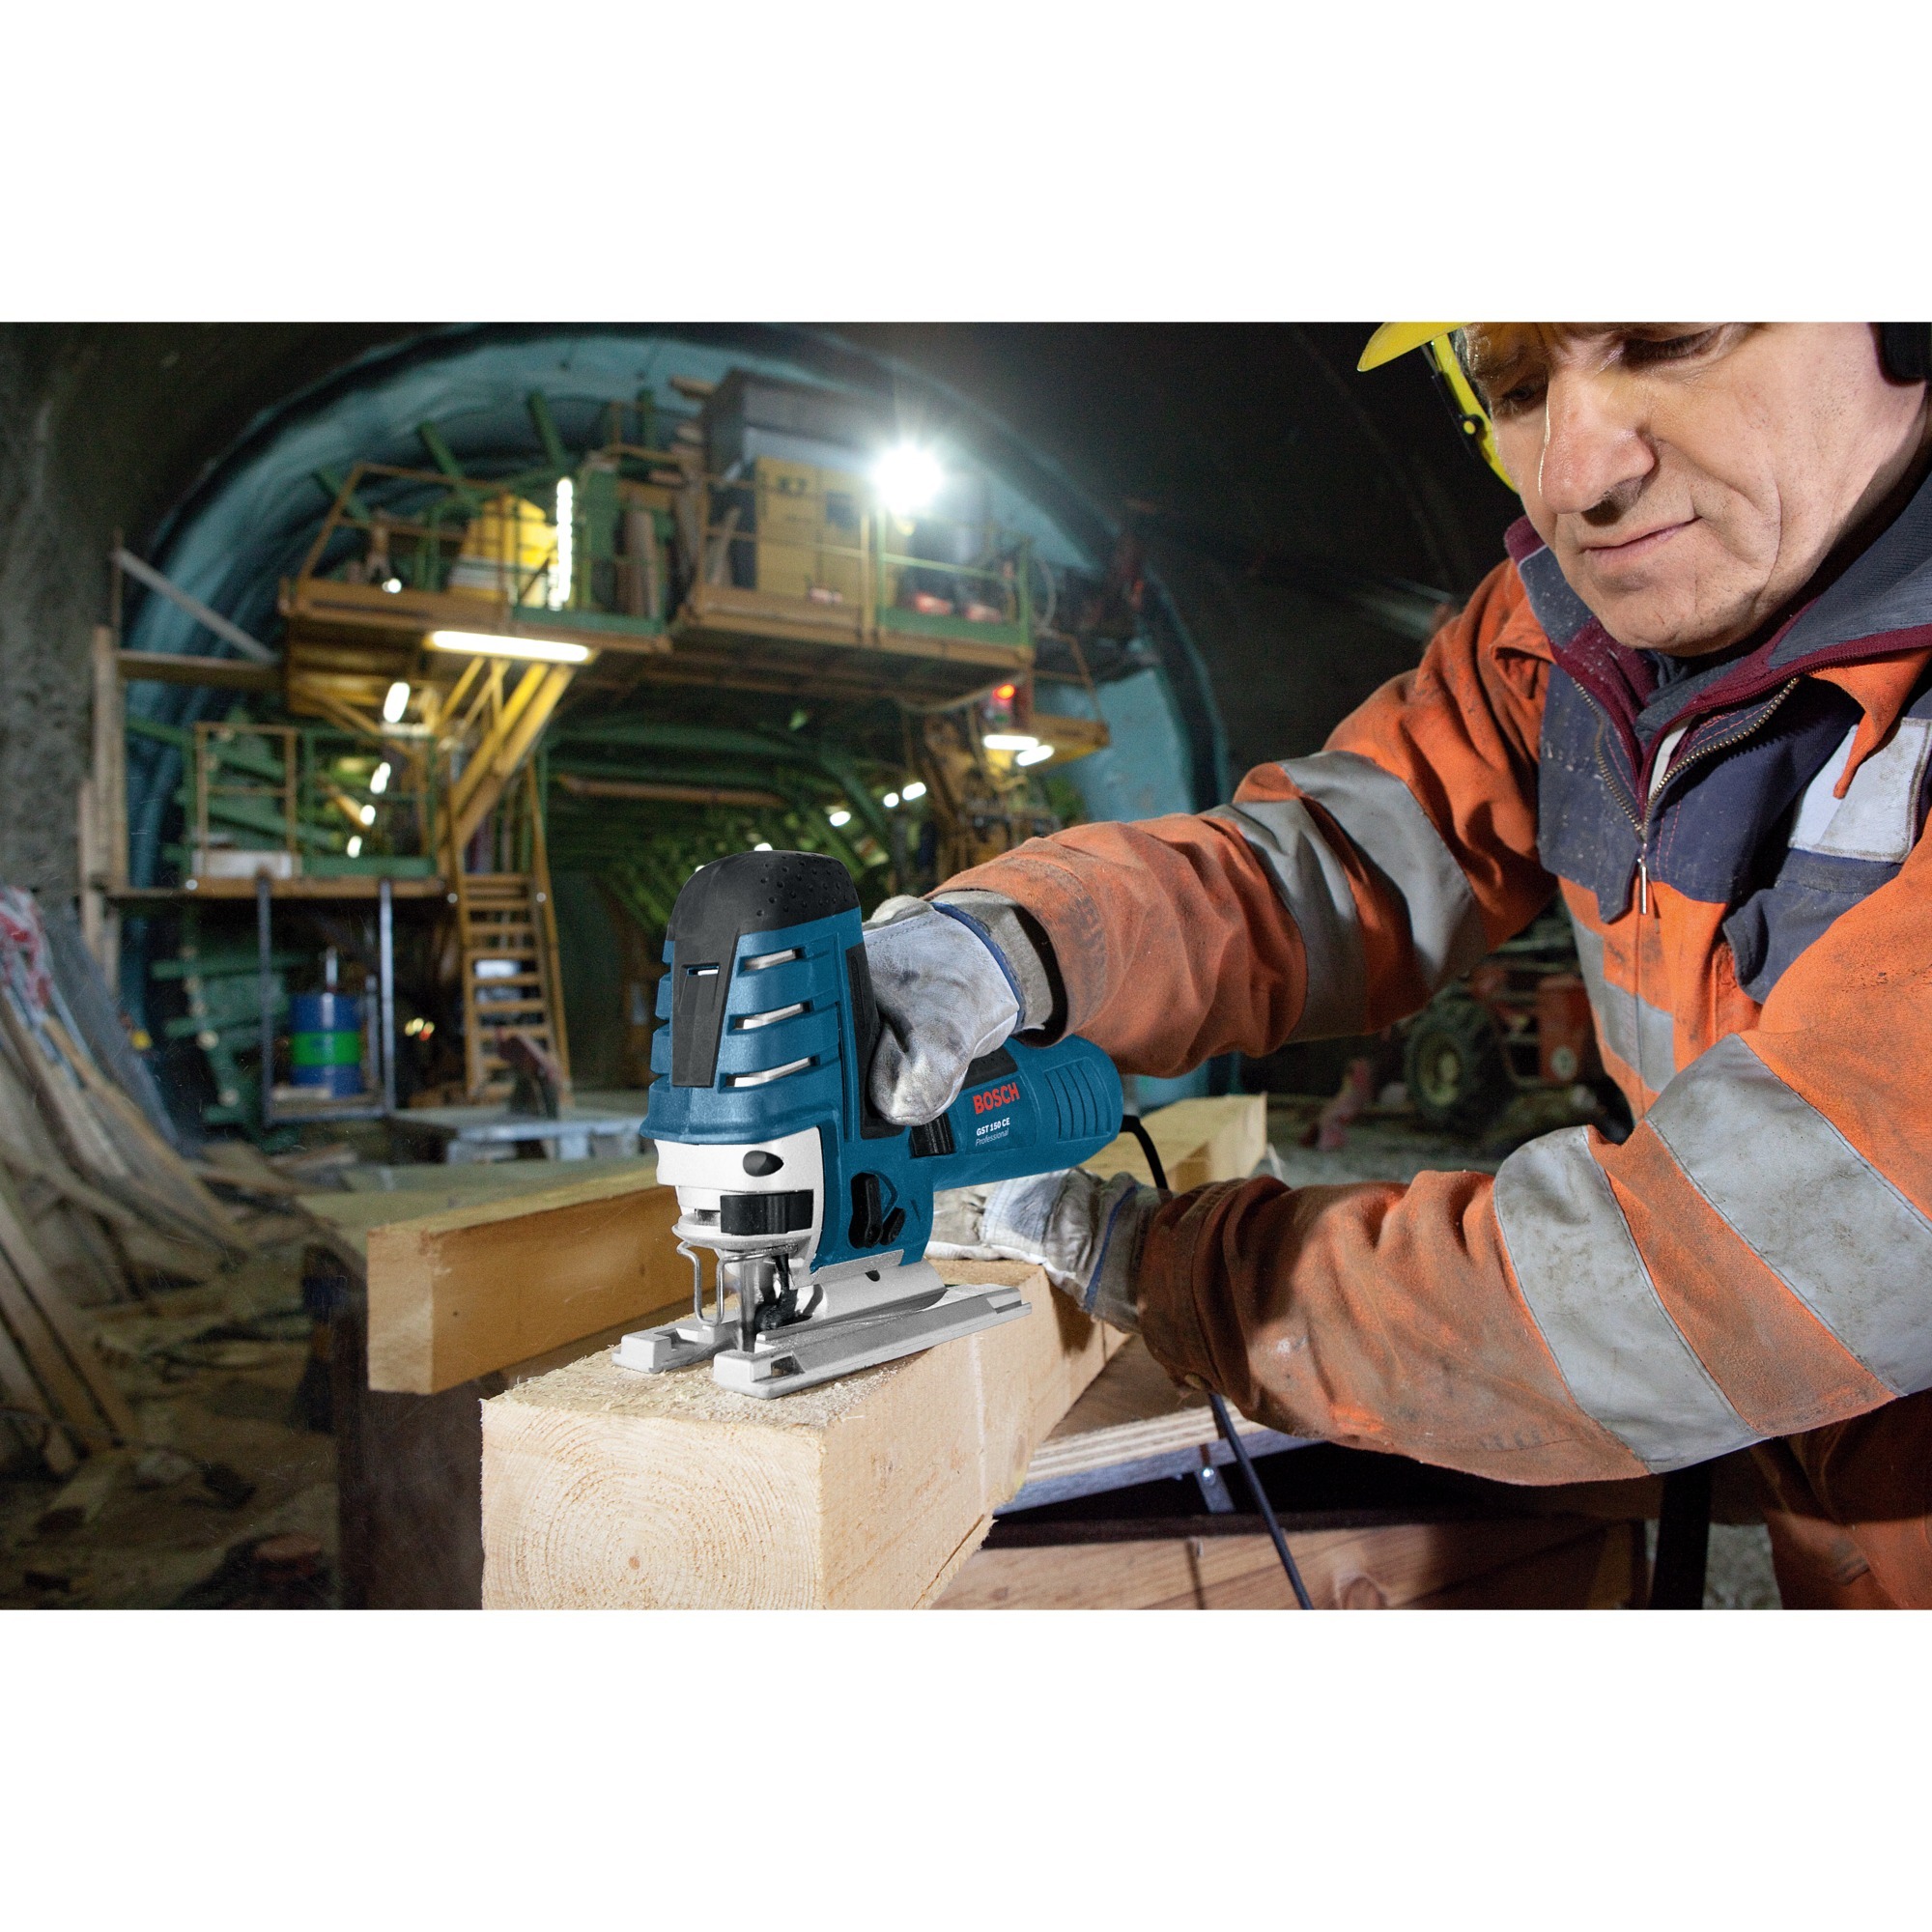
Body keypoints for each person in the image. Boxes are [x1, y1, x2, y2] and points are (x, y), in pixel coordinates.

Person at [860, 325, 1932, 1608]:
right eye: (1514, 387)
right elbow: (1320, 866)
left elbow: (1693, 1287)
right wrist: (1016, 942)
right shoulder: (1566, 637)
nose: (1574, 474)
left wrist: (1152, 1259)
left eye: (1667, 335)